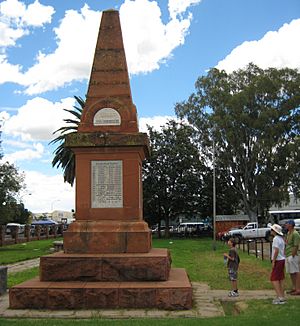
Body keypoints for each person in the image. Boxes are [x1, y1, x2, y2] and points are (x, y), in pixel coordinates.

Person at [270, 224, 286, 304]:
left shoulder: (276, 239)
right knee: (281, 278)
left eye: (272, 230)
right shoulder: (281, 239)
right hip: (282, 259)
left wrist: (273, 261)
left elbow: (276, 250)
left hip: (278, 260)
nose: (271, 231)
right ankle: (282, 295)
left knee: (274, 279)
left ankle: (280, 297)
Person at [285, 219, 300, 295]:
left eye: (287, 224)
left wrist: (293, 254)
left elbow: (296, 245)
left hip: (293, 255)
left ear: (290, 225)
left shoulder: (295, 234)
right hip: (288, 254)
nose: (286, 225)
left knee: (296, 272)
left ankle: (298, 289)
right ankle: (294, 287)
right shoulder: (288, 233)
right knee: (291, 272)